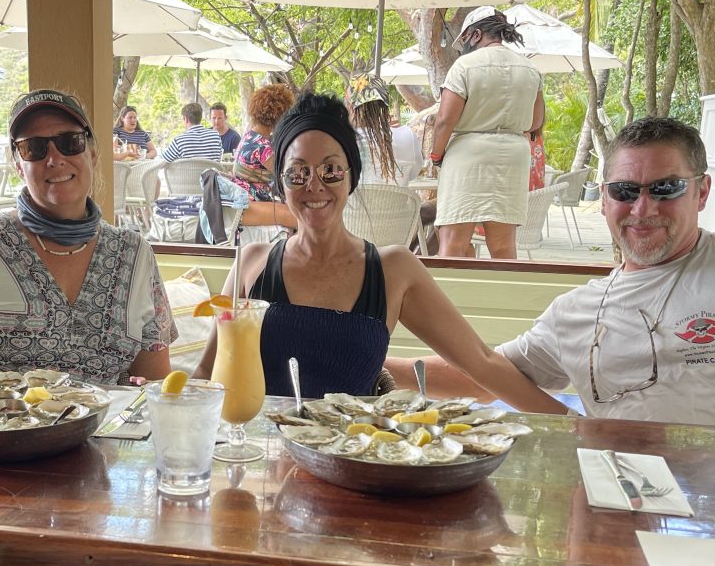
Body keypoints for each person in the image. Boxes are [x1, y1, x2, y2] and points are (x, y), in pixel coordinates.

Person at [393, 117, 715, 429]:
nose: (643, 208)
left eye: (666, 188)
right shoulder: (575, 312)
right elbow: (482, 376)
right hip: (611, 505)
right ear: (605, 196)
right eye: (625, 190)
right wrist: (368, 366)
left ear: (703, 191)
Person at [192, 90, 567, 412]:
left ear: (352, 176)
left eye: (331, 170)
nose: (314, 185)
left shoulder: (393, 270)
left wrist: (580, 430)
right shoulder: (252, 264)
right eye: (297, 173)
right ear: (281, 184)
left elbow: (482, 365)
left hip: (354, 464)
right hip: (264, 467)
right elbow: (207, 374)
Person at [0, 88, 175, 383]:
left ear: (93, 154)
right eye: (34, 148)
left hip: (99, 428)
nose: (54, 158)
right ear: (18, 166)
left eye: (69, 142)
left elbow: (154, 388)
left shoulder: (134, 253)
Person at [431, 6, 545, 259]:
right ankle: (503, 297)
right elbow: (536, 120)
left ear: (476, 34)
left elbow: (445, 120)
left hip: (468, 156)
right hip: (513, 156)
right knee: (503, 246)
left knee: (453, 244)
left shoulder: (465, 66)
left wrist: (436, 155)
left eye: (465, 39)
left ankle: (451, 298)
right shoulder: (529, 69)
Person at [208, 83, 297, 242]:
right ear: (279, 116)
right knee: (298, 217)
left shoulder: (249, 137)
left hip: (242, 203)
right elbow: (288, 178)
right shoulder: (263, 147)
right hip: (246, 206)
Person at [346, 74, 400, 184]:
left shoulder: (341, 141)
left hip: (352, 201)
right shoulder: (407, 136)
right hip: (395, 200)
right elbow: (414, 173)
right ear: (384, 106)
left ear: (351, 108)